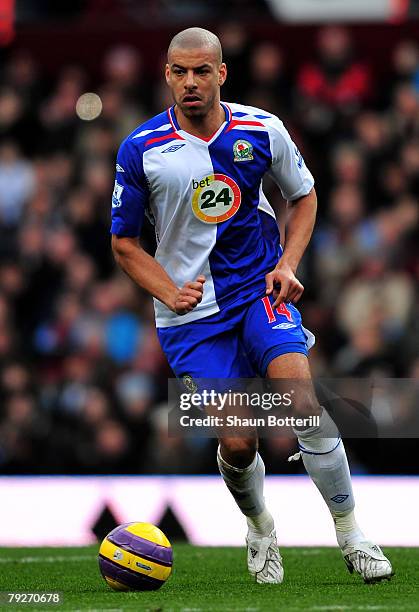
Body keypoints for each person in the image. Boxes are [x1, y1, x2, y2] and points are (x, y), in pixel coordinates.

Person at [111, 27, 393, 584]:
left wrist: (287, 263)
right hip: (191, 317)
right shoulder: (141, 149)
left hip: (258, 292)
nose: (191, 82)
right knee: (239, 444)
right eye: (180, 72)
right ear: (167, 75)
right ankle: (261, 525)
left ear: (222, 73)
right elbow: (123, 243)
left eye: (202, 71)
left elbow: (305, 195)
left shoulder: (261, 129)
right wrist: (168, 290)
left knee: (303, 401)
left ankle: (352, 532)